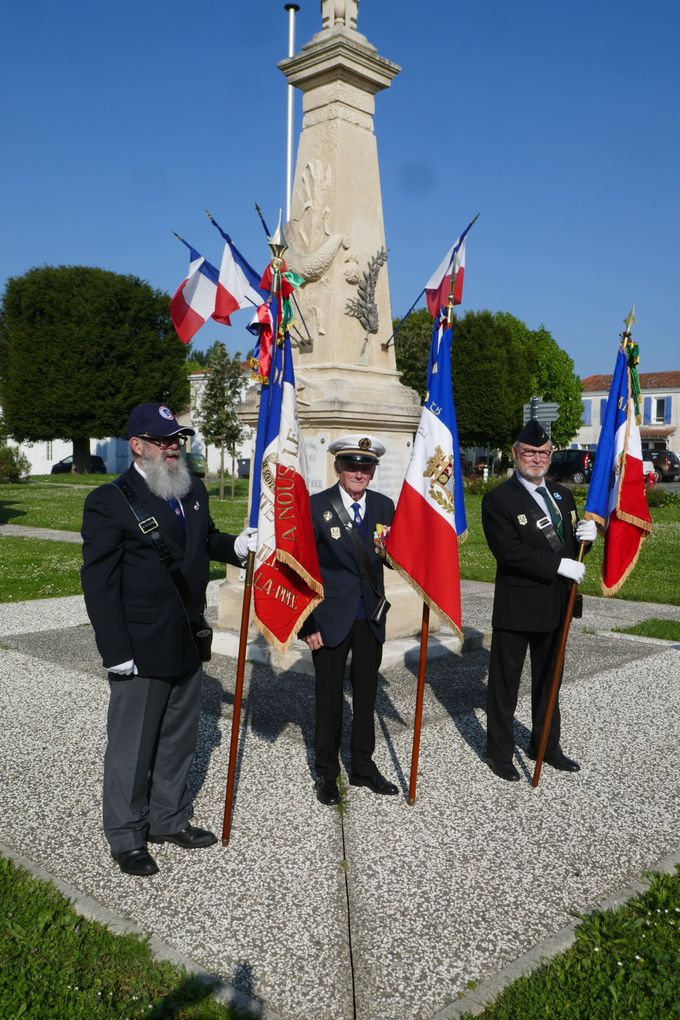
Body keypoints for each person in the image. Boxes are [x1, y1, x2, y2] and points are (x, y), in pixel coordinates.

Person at [81, 402, 253, 876]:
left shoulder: (191, 488)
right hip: (139, 644)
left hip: (187, 635)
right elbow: (98, 584)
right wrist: (115, 653)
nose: (173, 447)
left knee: (179, 738)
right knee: (132, 746)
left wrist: (236, 547)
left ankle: (167, 818)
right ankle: (126, 834)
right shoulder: (110, 501)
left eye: (177, 439)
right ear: (136, 445)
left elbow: (204, 540)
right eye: (162, 440)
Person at [481, 420, 597, 782]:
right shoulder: (498, 499)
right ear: (516, 454)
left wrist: (588, 539)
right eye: (529, 452)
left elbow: (572, 547)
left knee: (550, 681)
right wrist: (558, 564)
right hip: (518, 606)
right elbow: (508, 551)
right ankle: (499, 753)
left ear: (550, 455)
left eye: (543, 452)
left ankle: (546, 744)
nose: (536, 458)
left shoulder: (563, 495)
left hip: (557, 604)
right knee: (505, 685)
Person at [299, 434, 399, 805]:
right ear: (338, 468)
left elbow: (391, 556)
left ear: (373, 471)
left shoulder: (384, 506)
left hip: (369, 616)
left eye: (366, 466)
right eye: (351, 466)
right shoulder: (316, 507)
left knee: (367, 695)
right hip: (328, 618)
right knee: (328, 698)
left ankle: (363, 766)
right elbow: (300, 569)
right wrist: (306, 624)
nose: (359, 472)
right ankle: (327, 772)